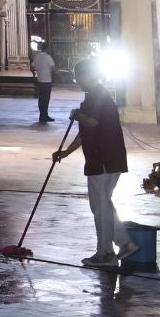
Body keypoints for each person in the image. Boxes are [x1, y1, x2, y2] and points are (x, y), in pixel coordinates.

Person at [53, 70, 135, 268]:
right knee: (100, 205)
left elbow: (92, 121)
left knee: (101, 206)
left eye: (79, 77)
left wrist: (77, 115)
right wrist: (65, 153)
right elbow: (84, 133)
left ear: (88, 76)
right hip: (98, 159)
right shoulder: (92, 98)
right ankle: (124, 243)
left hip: (105, 159)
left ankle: (106, 253)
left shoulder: (100, 96)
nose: (77, 81)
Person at [31, 42, 56, 123]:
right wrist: (61, 76)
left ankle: (42, 115)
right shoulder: (48, 57)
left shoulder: (37, 57)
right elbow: (53, 68)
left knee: (41, 99)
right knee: (46, 99)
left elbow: (32, 67)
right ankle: (44, 116)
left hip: (40, 81)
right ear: (47, 48)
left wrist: (34, 74)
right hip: (47, 81)